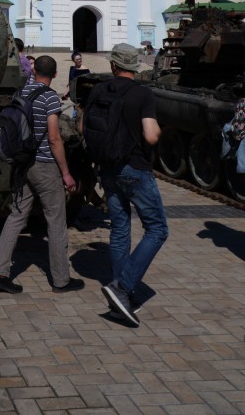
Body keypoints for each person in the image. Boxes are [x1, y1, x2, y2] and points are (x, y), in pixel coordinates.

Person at [82, 43, 168, 326]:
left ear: (113, 65)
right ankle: (123, 287)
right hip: (135, 169)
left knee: (120, 228)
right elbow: (151, 135)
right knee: (157, 229)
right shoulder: (142, 93)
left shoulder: (98, 90)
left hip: (107, 168)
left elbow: (83, 127)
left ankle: (121, 295)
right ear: (134, 66)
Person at [0, 55, 84, 295]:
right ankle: (61, 280)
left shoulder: (21, 92)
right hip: (45, 166)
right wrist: (66, 173)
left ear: (34, 71)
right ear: (54, 74)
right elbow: (54, 138)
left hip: (23, 164)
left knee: (16, 216)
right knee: (56, 221)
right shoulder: (50, 97)